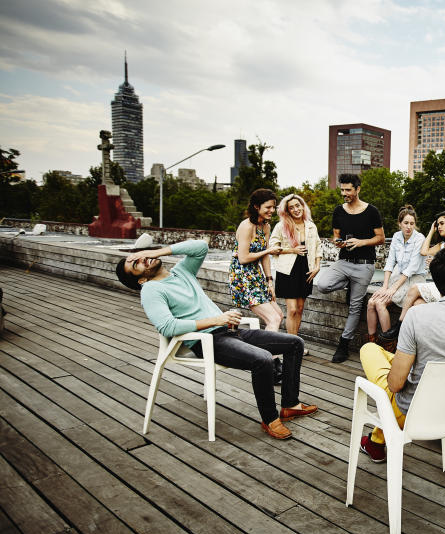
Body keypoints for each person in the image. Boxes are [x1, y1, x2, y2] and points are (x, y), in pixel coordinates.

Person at [115, 240, 317, 440]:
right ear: (140, 280)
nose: (141, 260)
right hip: (207, 340)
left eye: (138, 257)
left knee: (294, 343)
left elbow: (201, 246)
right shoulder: (150, 290)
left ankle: (290, 405)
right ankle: (270, 419)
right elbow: (167, 326)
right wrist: (216, 319)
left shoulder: (181, 272)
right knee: (263, 359)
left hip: (229, 331)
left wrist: (156, 252)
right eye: (135, 264)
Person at [357, 244, 445, 463]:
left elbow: (395, 385)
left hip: (416, 413)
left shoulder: (417, 316)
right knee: (410, 365)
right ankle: (375, 441)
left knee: (370, 351)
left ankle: (376, 441)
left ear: (437, 284)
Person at [313, 173, 385, 363]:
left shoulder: (372, 211)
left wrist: (360, 242)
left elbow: (381, 238)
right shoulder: (338, 211)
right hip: (343, 262)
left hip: (364, 265)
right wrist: (338, 243)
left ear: (357, 189)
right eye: (342, 189)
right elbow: (335, 236)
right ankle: (349, 284)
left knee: (355, 307)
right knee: (322, 285)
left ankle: (343, 345)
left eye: (348, 190)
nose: (344, 193)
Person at [384, 211, 445, 340]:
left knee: (414, 288)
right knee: (417, 305)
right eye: (437, 225)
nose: (439, 227)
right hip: (439, 287)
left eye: (442, 223)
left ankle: (399, 326)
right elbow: (423, 251)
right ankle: (409, 340)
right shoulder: (441, 245)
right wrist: (431, 231)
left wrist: (438, 263)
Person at [365, 205, 426, 351]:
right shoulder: (397, 236)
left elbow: (412, 268)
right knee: (371, 302)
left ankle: (389, 343)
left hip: (414, 277)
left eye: (412, 223)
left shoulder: (420, 238)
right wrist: (385, 286)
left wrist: (393, 289)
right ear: (399, 223)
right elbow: (390, 262)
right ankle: (372, 341)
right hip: (399, 274)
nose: (409, 227)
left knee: (380, 304)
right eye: (406, 223)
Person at [269, 193, 321, 349]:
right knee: (291, 310)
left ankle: (296, 344)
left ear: (303, 206)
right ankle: (291, 346)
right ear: (287, 211)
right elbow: (272, 248)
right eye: (291, 207)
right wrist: (291, 249)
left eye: (298, 205)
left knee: (299, 309)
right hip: (288, 270)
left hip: (306, 269)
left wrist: (317, 266)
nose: (296, 209)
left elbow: (318, 247)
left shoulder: (311, 225)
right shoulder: (281, 226)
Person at [230, 188, 284, 331]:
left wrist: (269, 281)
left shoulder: (265, 226)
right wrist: (268, 250)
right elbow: (243, 258)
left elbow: (265, 256)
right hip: (242, 275)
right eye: (268, 207)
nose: (272, 210)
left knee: (279, 314)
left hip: (256, 274)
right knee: (274, 319)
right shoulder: (246, 226)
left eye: (274, 207)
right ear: (256, 206)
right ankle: (271, 353)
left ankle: (269, 350)